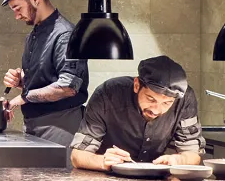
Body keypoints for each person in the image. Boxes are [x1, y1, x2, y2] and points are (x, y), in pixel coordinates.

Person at [71, 55, 205, 171]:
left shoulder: (185, 99)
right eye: (150, 99)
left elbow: (192, 153)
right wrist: (102, 162)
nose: (156, 110)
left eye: (167, 103)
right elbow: (77, 156)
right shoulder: (108, 94)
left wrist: (178, 161)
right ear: (136, 85)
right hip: (105, 177)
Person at [1, 0, 89, 147]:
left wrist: (24, 97)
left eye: (18, 8)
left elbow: (68, 87)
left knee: (59, 174)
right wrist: (22, 81)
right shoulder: (33, 35)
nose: (17, 16)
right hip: (34, 123)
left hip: (61, 124)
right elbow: (47, 78)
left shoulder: (66, 35)